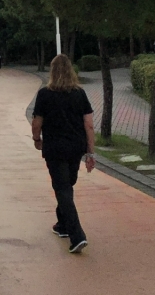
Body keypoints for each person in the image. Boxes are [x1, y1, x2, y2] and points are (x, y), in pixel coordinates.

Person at [31, 54, 95, 253]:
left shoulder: (44, 94)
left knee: (63, 188)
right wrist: (90, 152)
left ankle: (77, 236)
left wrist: (37, 139)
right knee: (67, 185)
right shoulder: (80, 94)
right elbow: (89, 124)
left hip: (55, 147)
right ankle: (63, 225)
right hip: (76, 147)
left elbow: (37, 122)